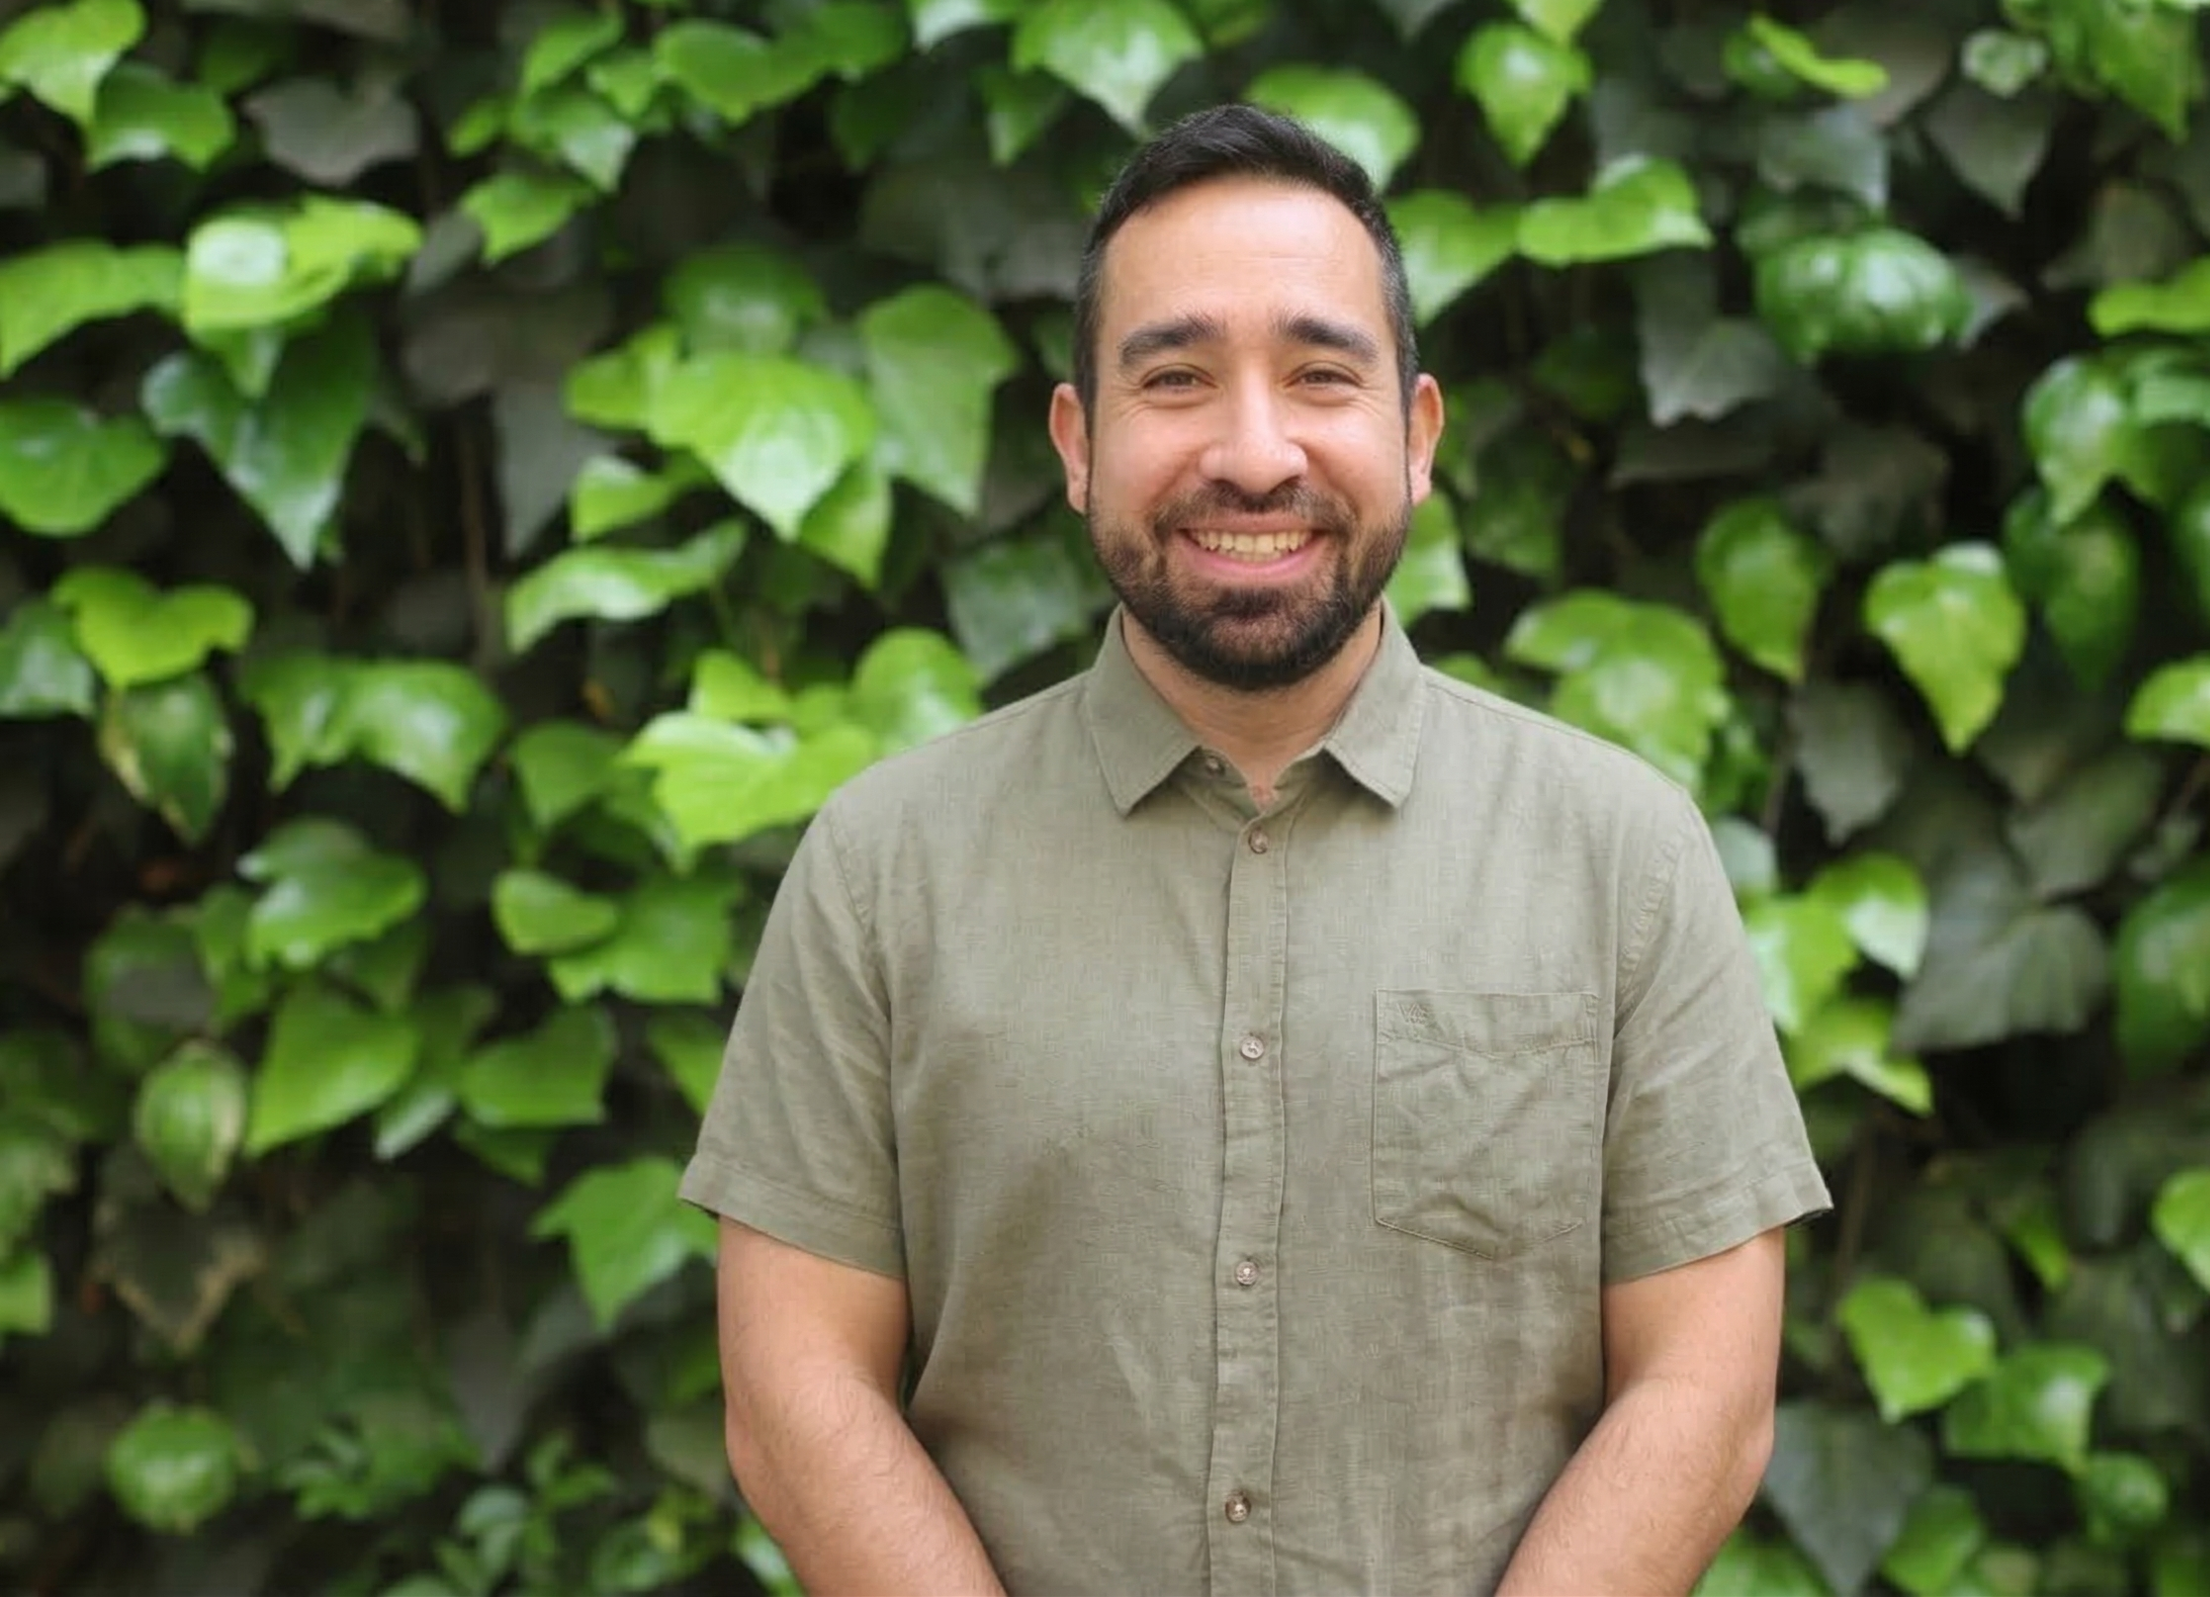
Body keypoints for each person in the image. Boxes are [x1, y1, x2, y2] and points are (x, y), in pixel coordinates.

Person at [678, 103, 1831, 1597]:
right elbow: (796, 1394)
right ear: (1079, 442)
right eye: (1174, 379)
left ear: (1415, 436)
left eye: (1318, 375)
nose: (1253, 450)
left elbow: (1704, 1390)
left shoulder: (1625, 860)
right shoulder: (882, 865)